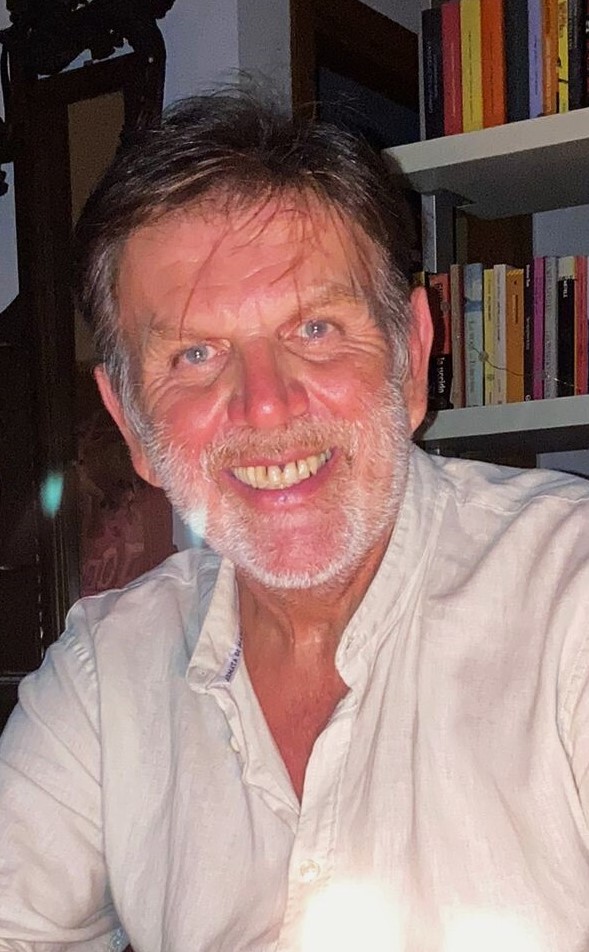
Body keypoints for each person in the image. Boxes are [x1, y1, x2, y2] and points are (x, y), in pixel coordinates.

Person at [1, 88, 589, 952]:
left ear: (412, 355)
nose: (265, 405)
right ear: (131, 423)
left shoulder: (571, 599)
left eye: (314, 328)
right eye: (194, 354)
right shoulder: (103, 676)